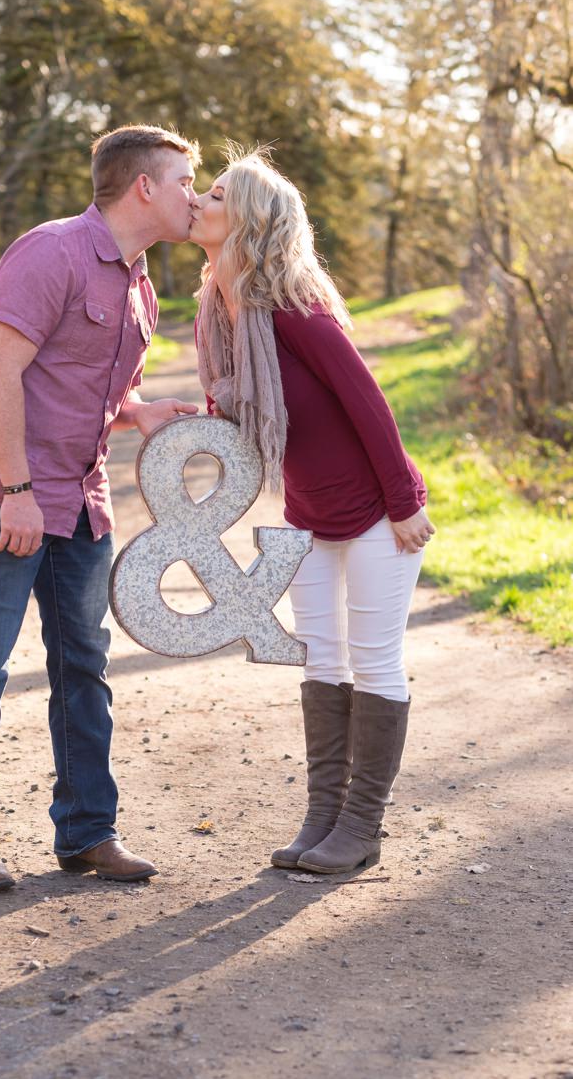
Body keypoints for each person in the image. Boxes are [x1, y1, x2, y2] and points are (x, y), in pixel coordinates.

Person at [0, 125, 201, 892]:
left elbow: (82, 390)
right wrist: (17, 490)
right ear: (143, 186)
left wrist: (138, 413)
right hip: (2, 495)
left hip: (83, 502)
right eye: (185, 179)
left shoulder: (142, 284)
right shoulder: (49, 252)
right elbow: (0, 374)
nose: (194, 194)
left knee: (84, 665)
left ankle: (88, 831)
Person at [187, 147, 433, 874]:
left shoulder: (294, 310)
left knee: (374, 658)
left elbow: (369, 405)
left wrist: (404, 502)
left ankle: (362, 826)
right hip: (309, 513)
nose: (200, 199)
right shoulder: (221, 316)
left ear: (251, 220)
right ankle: (324, 815)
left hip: (376, 514)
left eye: (218, 195)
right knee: (319, 657)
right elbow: (234, 417)